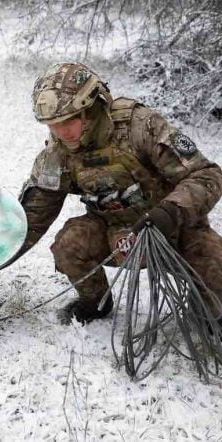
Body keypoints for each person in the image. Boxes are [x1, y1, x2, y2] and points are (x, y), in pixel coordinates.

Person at [18, 61, 222, 324]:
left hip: (171, 228)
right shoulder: (58, 153)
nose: (60, 132)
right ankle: (95, 304)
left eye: (67, 121)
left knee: (215, 263)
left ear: (90, 108)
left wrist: (169, 212)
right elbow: (33, 215)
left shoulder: (140, 126)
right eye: (52, 125)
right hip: (114, 234)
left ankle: (208, 313)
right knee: (69, 244)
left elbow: (207, 175)